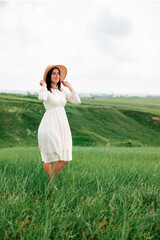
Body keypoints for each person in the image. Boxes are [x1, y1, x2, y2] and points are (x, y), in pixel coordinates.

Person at [38, 65, 81, 190]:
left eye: (58, 73)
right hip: (49, 125)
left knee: (65, 159)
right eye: (53, 73)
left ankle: (51, 181)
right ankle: (51, 186)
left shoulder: (62, 91)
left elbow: (77, 101)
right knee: (49, 158)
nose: (57, 75)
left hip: (62, 125)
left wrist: (70, 87)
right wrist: (43, 87)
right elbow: (42, 98)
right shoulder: (45, 90)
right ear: (48, 76)